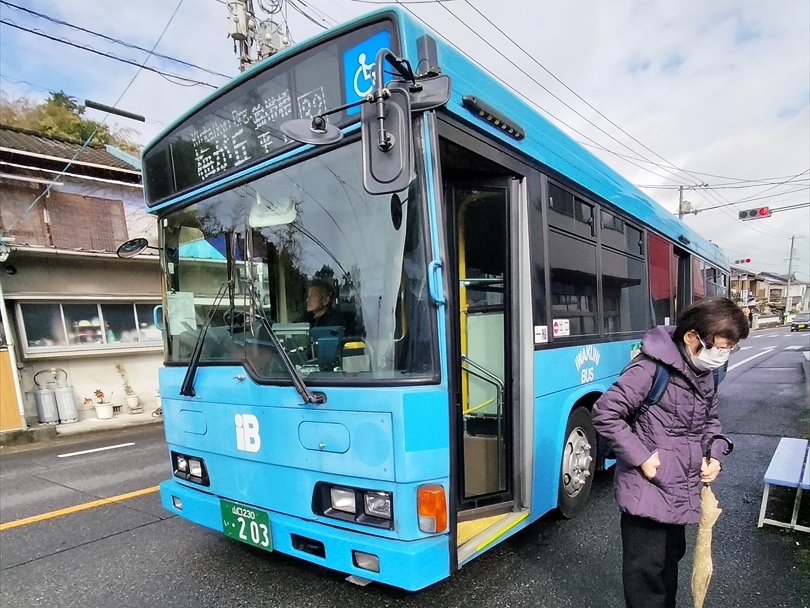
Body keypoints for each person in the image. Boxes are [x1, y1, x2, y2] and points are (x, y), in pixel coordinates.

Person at [592, 297, 749, 608]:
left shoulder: (704, 373)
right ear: (692, 336)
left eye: (730, 349)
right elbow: (605, 412)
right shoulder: (650, 368)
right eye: (720, 347)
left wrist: (714, 454)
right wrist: (642, 457)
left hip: (681, 488)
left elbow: (710, 421)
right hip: (646, 489)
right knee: (645, 578)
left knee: (668, 567)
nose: (722, 356)